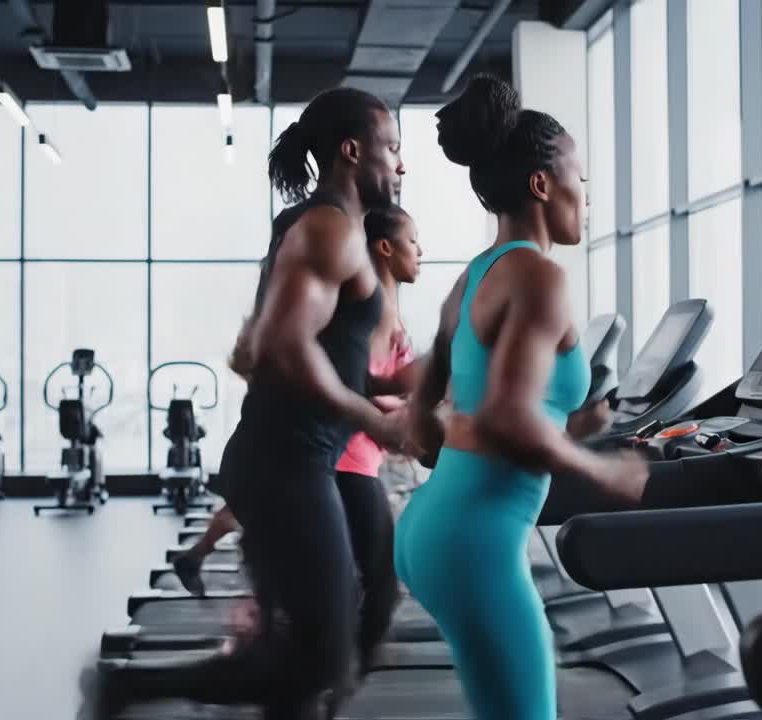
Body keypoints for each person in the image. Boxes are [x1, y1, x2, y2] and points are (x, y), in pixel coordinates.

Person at [90, 86, 414, 720]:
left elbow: (299, 349)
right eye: (393, 149)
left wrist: (387, 388)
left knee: (302, 654)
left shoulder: (310, 225)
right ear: (352, 151)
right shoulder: (330, 228)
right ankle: (127, 689)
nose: (401, 166)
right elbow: (281, 346)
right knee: (318, 657)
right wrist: (370, 418)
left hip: (285, 459)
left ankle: (129, 689)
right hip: (286, 467)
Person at [394, 75, 651, 720]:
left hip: (436, 525)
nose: (585, 198)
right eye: (580, 180)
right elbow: (507, 415)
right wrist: (602, 471)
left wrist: (568, 431)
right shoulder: (539, 275)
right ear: (542, 184)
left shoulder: (476, 274)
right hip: (475, 541)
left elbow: (425, 423)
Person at [173, 205, 424, 673]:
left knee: (314, 594)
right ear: (384, 249)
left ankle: (302, 666)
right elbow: (352, 387)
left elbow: (354, 385)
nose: (422, 252)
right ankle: (329, 678)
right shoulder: (364, 312)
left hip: (320, 460)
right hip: (333, 460)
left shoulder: (347, 311)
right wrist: (397, 411)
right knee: (368, 588)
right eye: (413, 241)